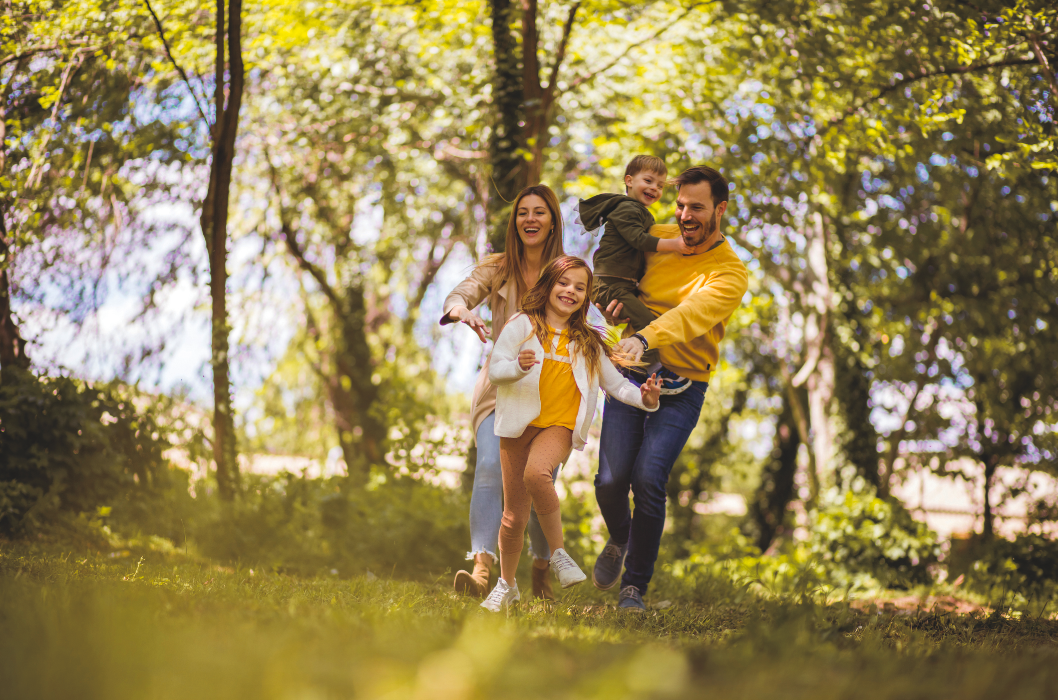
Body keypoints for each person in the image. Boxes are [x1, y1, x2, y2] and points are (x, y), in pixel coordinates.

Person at [591, 166, 750, 611]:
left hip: (684, 385)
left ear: (720, 209)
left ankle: (634, 587)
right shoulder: (656, 237)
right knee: (609, 480)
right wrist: (611, 300)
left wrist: (643, 336)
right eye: (680, 205)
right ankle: (621, 538)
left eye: (696, 207)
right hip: (632, 372)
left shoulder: (730, 272)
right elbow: (608, 268)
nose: (685, 216)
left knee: (647, 479)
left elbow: (691, 315)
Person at [480, 256, 661, 612]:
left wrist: (644, 398)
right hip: (518, 425)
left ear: (586, 297)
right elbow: (496, 370)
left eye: (580, 287)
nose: (571, 291)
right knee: (513, 515)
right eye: (564, 283)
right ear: (548, 285)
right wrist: (517, 367)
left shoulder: (588, 342)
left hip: (559, 427)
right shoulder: (522, 325)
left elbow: (616, 385)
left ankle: (559, 554)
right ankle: (506, 585)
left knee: (537, 474)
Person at [441, 184, 566, 601]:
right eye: (523, 213)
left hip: (552, 392)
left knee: (537, 480)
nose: (530, 219)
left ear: (552, 222)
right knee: (491, 468)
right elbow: (460, 293)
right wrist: (462, 310)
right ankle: (481, 571)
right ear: (515, 222)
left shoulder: (567, 272)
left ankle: (541, 567)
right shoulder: (497, 267)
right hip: (501, 386)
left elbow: (595, 318)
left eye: (539, 213)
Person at [576, 155, 692, 388]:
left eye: (660, 185)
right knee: (648, 323)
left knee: (648, 318)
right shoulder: (627, 208)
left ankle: (632, 364)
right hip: (609, 284)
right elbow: (638, 239)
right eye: (648, 181)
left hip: (620, 284)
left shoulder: (638, 210)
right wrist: (675, 244)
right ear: (629, 180)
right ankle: (652, 370)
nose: (654, 188)